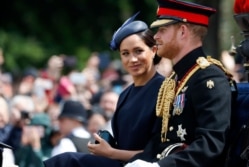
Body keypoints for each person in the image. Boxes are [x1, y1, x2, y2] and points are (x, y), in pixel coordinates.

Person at [125, 0, 236, 167]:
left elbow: (210, 144)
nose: (156, 37)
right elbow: (160, 141)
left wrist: (159, 166)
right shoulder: (175, 78)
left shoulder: (209, 78)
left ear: (183, 31)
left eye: (162, 30)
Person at [43, 12, 165, 167]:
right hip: (119, 162)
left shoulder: (164, 91)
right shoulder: (125, 95)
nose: (132, 59)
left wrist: (111, 153)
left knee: (68, 161)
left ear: (153, 50)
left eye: (138, 51)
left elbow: (158, 153)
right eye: (125, 53)